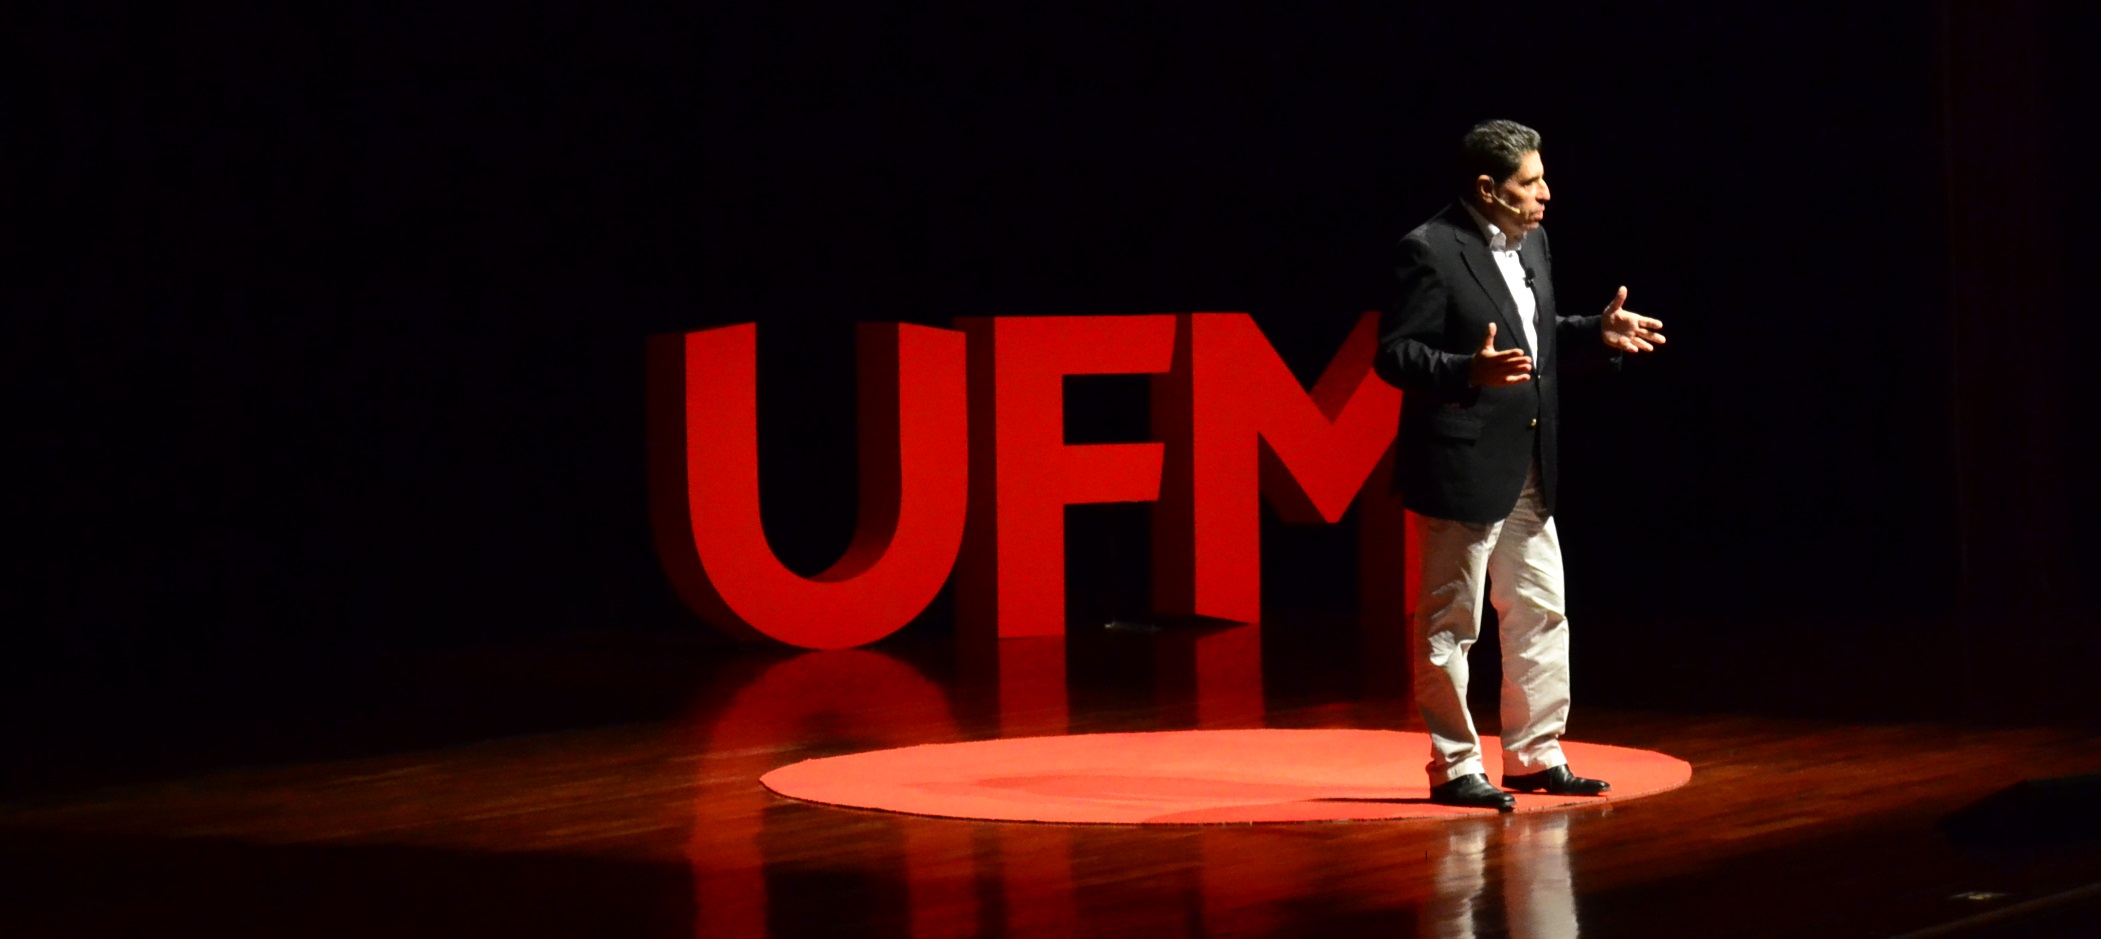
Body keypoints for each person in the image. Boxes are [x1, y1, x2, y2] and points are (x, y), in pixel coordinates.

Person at [1375, 119, 1665, 812]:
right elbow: (1395, 354)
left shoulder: (1532, 239)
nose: (1544, 194)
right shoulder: (1428, 250)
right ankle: (1453, 765)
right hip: (1460, 464)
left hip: (1529, 460)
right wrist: (1463, 370)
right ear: (1486, 187)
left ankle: (1534, 754)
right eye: (1528, 182)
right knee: (1451, 623)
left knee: (1539, 610)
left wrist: (1593, 330)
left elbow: (1532, 331)